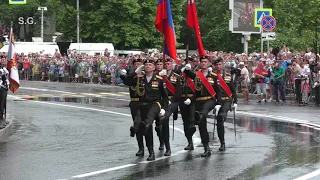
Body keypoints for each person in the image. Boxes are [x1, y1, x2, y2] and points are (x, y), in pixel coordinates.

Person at [127, 59, 169, 161]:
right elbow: (127, 81)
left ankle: (141, 130)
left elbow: (165, 96)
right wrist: (136, 72)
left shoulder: (159, 79)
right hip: (142, 104)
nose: (148, 66)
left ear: (154, 67)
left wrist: (164, 108)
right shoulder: (139, 79)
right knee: (145, 127)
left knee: (148, 123)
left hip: (155, 104)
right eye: (146, 65)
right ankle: (151, 152)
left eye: (150, 64)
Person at [184, 55, 222, 157]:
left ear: (209, 63)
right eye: (202, 62)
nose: (203, 63)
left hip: (210, 99)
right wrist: (187, 68)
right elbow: (188, 74)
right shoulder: (197, 75)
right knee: (202, 126)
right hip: (198, 100)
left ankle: (198, 118)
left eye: (205, 61)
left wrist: (219, 104)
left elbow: (218, 91)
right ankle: (207, 148)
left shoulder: (213, 76)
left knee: (203, 113)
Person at [157, 58, 182, 156]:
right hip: (163, 101)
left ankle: (168, 147)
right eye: (165, 64)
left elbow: (178, 92)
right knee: (159, 125)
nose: (167, 65)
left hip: (173, 100)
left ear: (172, 65)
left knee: (164, 119)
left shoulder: (176, 77)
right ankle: (161, 141)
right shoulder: (159, 76)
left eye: (168, 64)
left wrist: (172, 101)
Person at [120, 58, 144, 156]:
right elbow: (126, 81)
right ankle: (141, 148)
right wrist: (134, 74)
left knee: (143, 125)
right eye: (136, 64)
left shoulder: (145, 76)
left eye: (139, 64)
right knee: (139, 126)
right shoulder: (131, 75)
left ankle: (156, 144)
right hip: (134, 103)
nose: (138, 65)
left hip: (144, 103)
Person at [213, 57, 237, 151]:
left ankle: (224, 115)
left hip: (227, 100)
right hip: (218, 101)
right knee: (219, 122)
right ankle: (222, 142)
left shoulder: (228, 76)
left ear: (222, 65)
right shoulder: (213, 76)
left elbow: (233, 89)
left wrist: (235, 101)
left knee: (221, 115)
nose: (218, 66)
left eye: (220, 64)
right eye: (217, 65)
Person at [0, 64, 9, 129]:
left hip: (4, 88)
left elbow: (5, 78)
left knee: (3, 105)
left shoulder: (4, 69)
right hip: (1, 88)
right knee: (0, 105)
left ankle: (2, 118)